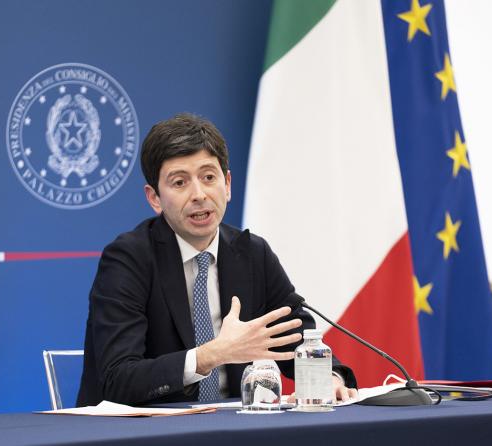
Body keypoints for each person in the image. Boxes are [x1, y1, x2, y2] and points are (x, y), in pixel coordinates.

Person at [77, 113, 357, 406]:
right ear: (154, 198)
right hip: (146, 426)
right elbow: (117, 380)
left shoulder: (252, 254)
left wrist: (329, 378)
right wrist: (210, 355)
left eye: (209, 177)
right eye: (180, 182)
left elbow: (296, 335)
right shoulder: (128, 259)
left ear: (228, 184)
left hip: (233, 425)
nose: (199, 194)